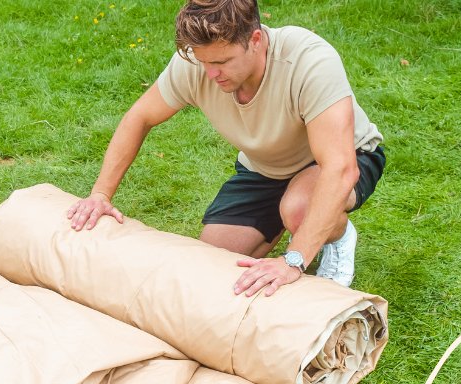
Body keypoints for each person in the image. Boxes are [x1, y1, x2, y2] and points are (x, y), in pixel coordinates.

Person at [65, 0, 385, 298]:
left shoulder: (309, 61)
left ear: (256, 40)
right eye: (203, 61)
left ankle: (337, 235)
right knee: (212, 261)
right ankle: (295, 222)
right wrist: (100, 195)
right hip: (265, 167)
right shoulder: (197, 63)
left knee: (299, 208)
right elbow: (139, 117)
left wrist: (294, 259)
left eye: (222, 61)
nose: (210, 74)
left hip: (344, 158)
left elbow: (341, 169)